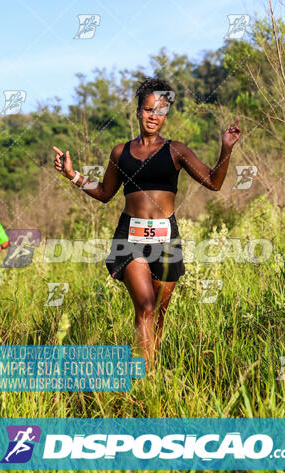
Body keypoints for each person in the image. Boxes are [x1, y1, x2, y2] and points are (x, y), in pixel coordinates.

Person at [53, 78, 241, 369]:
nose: (154, 116)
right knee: (145, 306)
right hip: (130, 238)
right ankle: (144, 378)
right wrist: (73, 175)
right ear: (138, 111)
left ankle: (149, 367)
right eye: (149, 109)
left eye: (161, 111)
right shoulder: (120, 152)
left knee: (158, 314)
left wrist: (226, 148)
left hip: (166, 238)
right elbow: (104, 193)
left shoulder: (176, 150)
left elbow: (214, 183)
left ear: (166, 116)